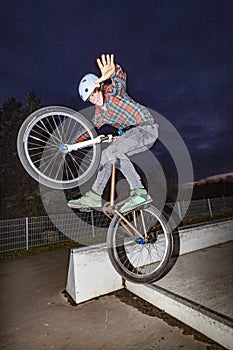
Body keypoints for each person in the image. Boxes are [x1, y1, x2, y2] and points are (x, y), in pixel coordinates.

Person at [68, 54, 159, 213]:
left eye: (95, 92)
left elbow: (120, 81)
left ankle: (139, 191)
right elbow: (87, 129)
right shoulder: (100, 115)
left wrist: (114, 72)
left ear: (100, 87)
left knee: (113, 151)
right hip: (133, 133)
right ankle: (95, 196)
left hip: (146, 128)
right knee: (106, 155)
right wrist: (71, 144)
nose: (94, 98)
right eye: (90, 98)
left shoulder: (112, 93)